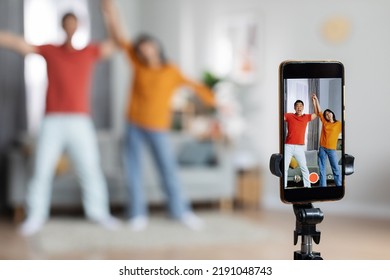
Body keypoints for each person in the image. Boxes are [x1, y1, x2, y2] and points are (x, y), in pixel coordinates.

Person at [0, 7, 120, 236]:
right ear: (62, 26)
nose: (71, 27)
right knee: (41, 169)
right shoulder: (50, 50)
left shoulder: (89, 51)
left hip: (80, 121)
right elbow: (18, 43)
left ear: (79, 26)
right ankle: (35, 216)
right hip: (52, 120)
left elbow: (116, 44)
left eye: (75, 23)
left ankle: (99, 214)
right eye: (67, 23)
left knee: (90, 169)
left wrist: (110, 14)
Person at [103, 0, 216, 231]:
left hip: (158, 126)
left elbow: (194, 85)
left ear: (156, 47)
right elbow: (120, 38)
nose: (147, 50)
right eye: (142, 48)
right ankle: (137, 214)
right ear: (139, 52)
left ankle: (180, 211)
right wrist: (110, 10)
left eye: (149, 46)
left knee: (167, 169)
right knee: (132, 170)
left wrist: (215, 102)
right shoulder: (137, 64)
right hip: (134, 124)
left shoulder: (171, 70)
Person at [284, 98, 317, 188]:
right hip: (288, 145)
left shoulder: (306, 117)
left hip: (299, 147)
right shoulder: (289, 116)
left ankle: (307, 187)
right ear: (294, 107)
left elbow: (317, 113)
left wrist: (314, 102)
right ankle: (284, 187)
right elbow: (279, 117)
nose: (299, 107)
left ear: (303, 107)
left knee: (304, 168)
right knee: (285, 168)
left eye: (301, 106)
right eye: (297, 106)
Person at [312, 94, 342, 186]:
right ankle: (323, 187)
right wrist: (316, 99)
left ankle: (339, 186)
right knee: (322, 169)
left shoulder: (339, 124)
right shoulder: (325, 122)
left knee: (335, 168)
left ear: (332, 113)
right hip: (322, 148)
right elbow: (319, 111)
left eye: (329, 113)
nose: (328, 114)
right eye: (326, 114)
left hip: (332, 149)